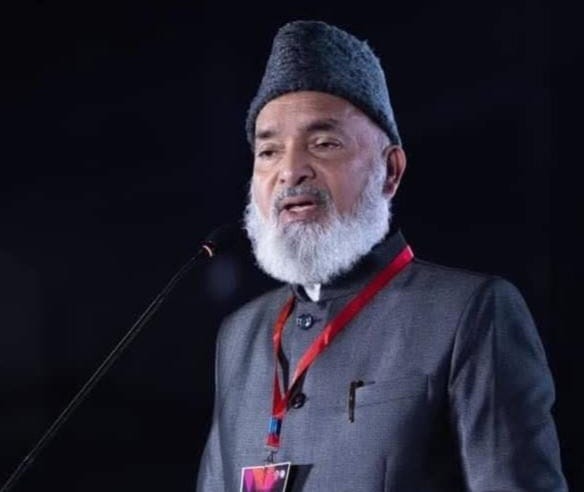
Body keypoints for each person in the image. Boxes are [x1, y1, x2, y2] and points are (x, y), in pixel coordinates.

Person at [197, 20, 567, 491]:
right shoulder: (240, 335)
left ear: (389, 171)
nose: (290, 170)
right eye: (268, 151)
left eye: (324, 143)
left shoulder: (468, 314)